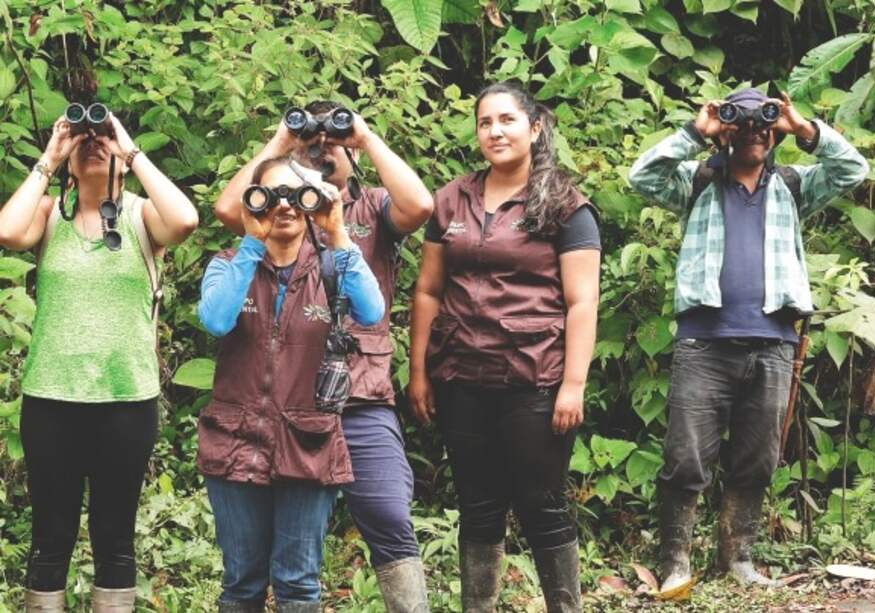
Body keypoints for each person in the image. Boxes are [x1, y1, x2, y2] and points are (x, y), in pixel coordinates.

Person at [628, 88, 868, 589]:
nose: (755, 131)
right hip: (704, 341)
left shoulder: (791, 184)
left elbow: (852, 170)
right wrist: (698, 133)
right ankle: (676, 563)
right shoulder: (699, 181)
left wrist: (804, 129)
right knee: (686, 458)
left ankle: (737, 560)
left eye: (766, 122)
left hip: (773, 342)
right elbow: (642, 175)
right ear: (728, 127)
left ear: (775, 132)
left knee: (757, 459)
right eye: (744, 120)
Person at [213, 102, 434, 612]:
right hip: (288, 401)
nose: (323, 145)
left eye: (333, 139)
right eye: (314, 139)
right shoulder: (277, 214)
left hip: (359, 395)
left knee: (388, 514)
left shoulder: (371, 206)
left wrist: (364, 138)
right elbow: (231, 211)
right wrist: (280, 146)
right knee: (275, 568)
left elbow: (419, 205)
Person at [408, 82, 601, 613]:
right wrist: (419, 371)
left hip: (535, 379)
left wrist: (573, 385)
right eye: (485, 122)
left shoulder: (566, 205)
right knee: (478, 506)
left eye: (507, 120)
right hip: (460, 378)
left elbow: (582, 302)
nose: (495, 131)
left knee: (542, 504)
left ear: (534, 128)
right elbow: (427, 289)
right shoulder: (450, 199)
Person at [0, 111, 198, 612]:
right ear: (70, 166)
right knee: (51, 536)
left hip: (126, 400)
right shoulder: (48, 213)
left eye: (102, 139)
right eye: (85, 141)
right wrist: (50, 156)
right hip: (51, 398)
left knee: (114, 535)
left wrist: (128, 149)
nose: (94, 145)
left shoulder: (140, 217)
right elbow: (6, 231)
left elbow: (186, 220)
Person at [199, 155, 386, 612]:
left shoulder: (331, 266)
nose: (283, 206)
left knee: (298, 583)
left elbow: (372, 311)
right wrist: (250, 243)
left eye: (295, 194)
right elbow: (217, 320)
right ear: (253, 201)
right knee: (241, 581)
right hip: (235, 440)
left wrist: (337, 232)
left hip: (309, 443)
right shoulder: (228, 263)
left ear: (312, 200)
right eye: (270, 195)